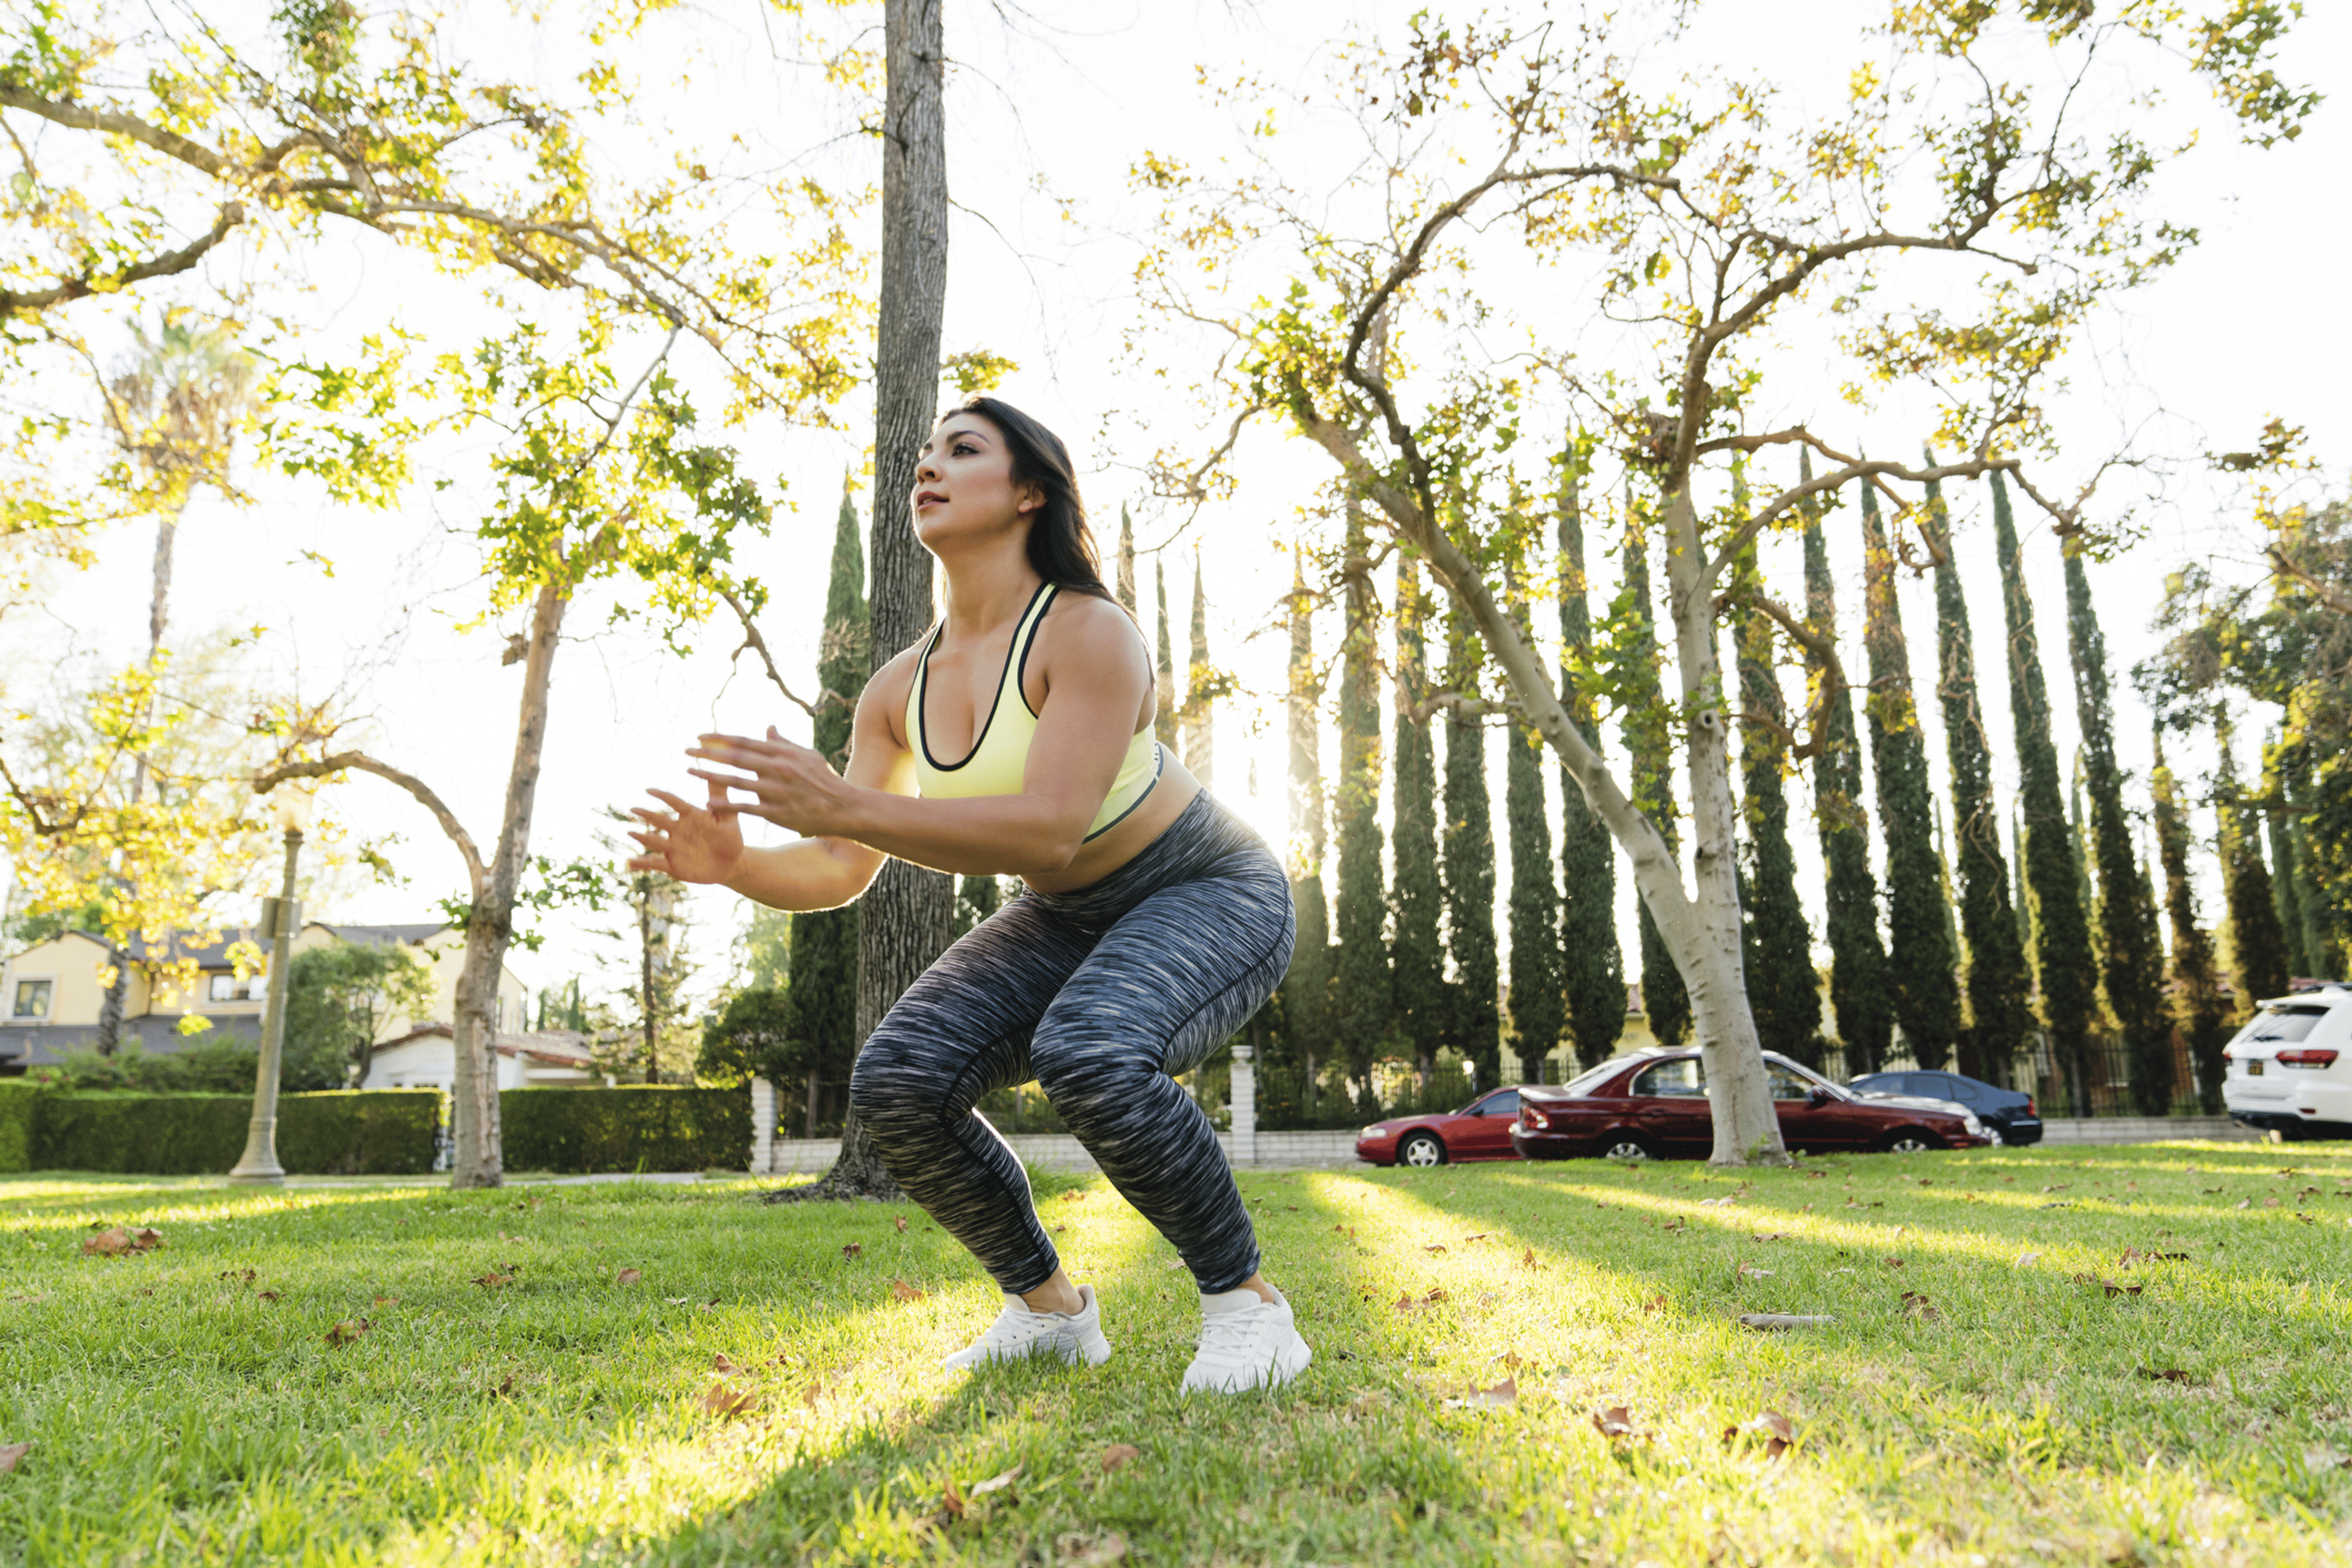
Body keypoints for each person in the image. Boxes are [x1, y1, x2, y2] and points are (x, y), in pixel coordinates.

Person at [626, 398, 1308, 1395]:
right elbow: (840, 866)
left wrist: (847, 805)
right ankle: (1050, 1312)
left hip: (1207, 888)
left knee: (1091, 1049)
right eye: (923, 455)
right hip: (1064, 913)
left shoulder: (1089, 633)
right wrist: (738, 865)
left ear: (1030, 491)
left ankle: (1247, 1306)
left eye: (962, 449)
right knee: (899, 1082)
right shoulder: (897, 688)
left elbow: (1048, 828)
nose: (928, 467)